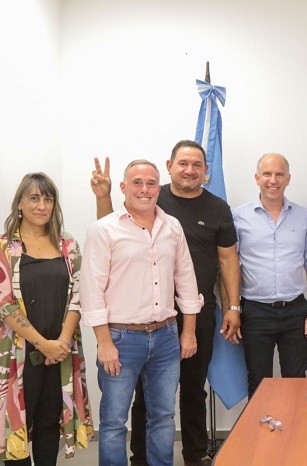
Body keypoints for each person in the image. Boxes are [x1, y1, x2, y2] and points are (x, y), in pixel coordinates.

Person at [91, 140, 241, 466]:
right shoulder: (147, 200)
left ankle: (194, 455)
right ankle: (141, 458)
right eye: (183, 163)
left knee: (191, 390)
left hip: (191, 314)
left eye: (197, 164)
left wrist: (233, 306)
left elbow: (228, 259)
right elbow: (111, 237)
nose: (189, 170)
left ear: (206, 171)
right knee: (141, 400)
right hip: (136, 320)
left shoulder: (209, 211)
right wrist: (102, 197)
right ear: (170, 166)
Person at [81, 160, 203, 466]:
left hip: (166, 336)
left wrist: (188, 331)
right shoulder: (103, 229)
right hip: (121, 339)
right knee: (113, 422)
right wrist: (104, 342)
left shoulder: (172, 226)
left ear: (158, 188)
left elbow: (186, 280)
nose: (144, 189)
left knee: (163, 417)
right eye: (137, 182)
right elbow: (92, 290)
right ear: (123, 187)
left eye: (151, 183)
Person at [0, 173, 93, 465]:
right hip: (19, 353)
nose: (42, 206)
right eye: (34, 198)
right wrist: (43, 344)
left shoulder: (67, 244)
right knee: (17, 425)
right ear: (19, 203)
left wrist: (61, 343)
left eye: (48, 199)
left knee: (49, 423)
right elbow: (5, 304)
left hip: (59, 354)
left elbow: (78, 294)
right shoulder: (5, 247)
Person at [234, 153, 307, 395]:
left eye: (279, 174)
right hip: (255, 312)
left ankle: (294, 422)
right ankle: (260, 423)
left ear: (288, 179)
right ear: (257, 178)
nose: (273, 180)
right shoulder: (238, 217)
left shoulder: (304, 217)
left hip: (295, 312)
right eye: (267, 174)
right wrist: (233, 309)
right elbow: (230, 267)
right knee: (258, 383)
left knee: (295, 382)